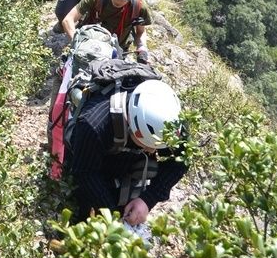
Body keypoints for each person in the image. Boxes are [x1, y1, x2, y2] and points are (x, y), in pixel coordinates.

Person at [67, 77, 187, 225]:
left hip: (121, 151)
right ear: (132, 126)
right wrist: (112, 215)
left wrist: (147, 200)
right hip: (89, 153)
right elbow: (85, 173)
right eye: (148, 143)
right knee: (85, 201)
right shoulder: (94, 125)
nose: (152, 150)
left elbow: (182, 161)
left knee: (149, 167)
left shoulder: (170, 122)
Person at [61, 0, 152, 60]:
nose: (118, 0)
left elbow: (140, 32)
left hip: (117, 51)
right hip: (89, 45)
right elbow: (68, 20)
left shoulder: (138, 5)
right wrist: (78, 43)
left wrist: (142, 47)